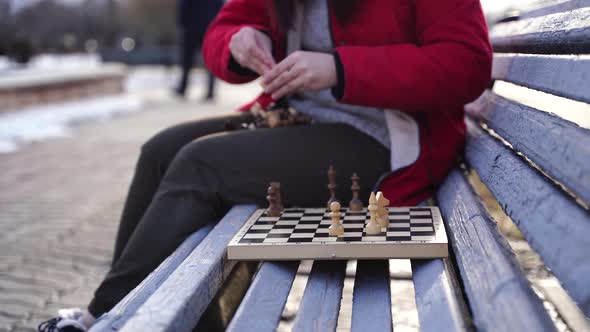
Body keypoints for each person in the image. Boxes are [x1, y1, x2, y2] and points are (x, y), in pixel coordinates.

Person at [38, 0, 492, 331]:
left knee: (201, 165)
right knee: (161, 149)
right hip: (300, 118)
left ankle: (107, 319)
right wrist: (236, 43)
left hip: (389, 139)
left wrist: (340, 69)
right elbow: (230, 23)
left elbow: (467, 64)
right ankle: (137, 316)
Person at [174, 0, 223, 100]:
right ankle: (210, 91)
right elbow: (220, 7)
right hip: (208, 26)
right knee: (210, 61)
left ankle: (183, 88)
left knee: (187, 61)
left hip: (192, 27)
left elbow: (183, 6)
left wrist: (182, 24)